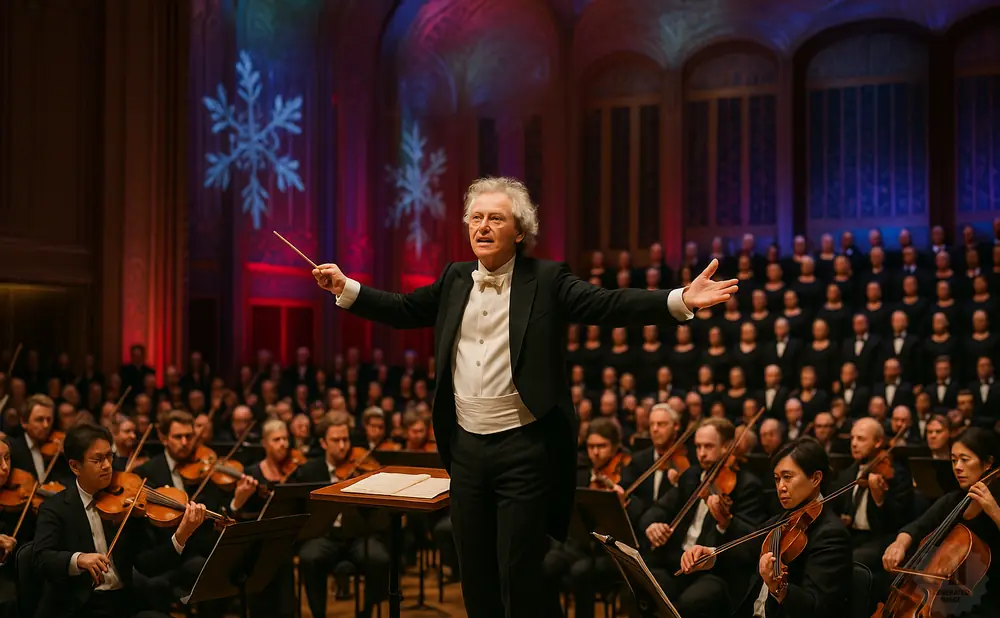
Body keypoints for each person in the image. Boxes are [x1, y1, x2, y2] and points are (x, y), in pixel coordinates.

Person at [313, 176, 738, 617]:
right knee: (474, 572)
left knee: (518, 572)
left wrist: (679, 299)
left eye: (495, 218)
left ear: (519, 231)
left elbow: (607, 304)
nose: (482, 226)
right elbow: (402, 309)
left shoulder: (547, 279)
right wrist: (346, 286)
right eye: (475, 218)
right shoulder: (455, 278)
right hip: (466, 448)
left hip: (523, 447)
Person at [31, 423, 206, 618]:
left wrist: (181, 535)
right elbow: (41, 559)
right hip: (80, 607)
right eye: (97, 459)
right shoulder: (56, 508)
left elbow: (146, 564)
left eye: (109, 456)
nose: (107, 465)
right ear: (75, 466)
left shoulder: (124, 505)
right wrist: (78, 559)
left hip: (123, 603)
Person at [679, 437, 852, 617]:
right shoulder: (783, 518)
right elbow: (746, 550)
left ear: (815, 478)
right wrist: (711, 554)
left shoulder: (831, 534)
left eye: (787, 477)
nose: (781, 487)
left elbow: (818, 608)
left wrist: (780, 589)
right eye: (777, 479)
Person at [881, 428, 1000, 617]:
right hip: (948, 593)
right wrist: (899, 544)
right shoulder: (953, 501)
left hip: (988, 592)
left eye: (964, 459)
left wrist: (994, 510)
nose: (957, 467)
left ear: (987, 463)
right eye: (953, 460)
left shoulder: (997, 502)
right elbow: (918, 526)